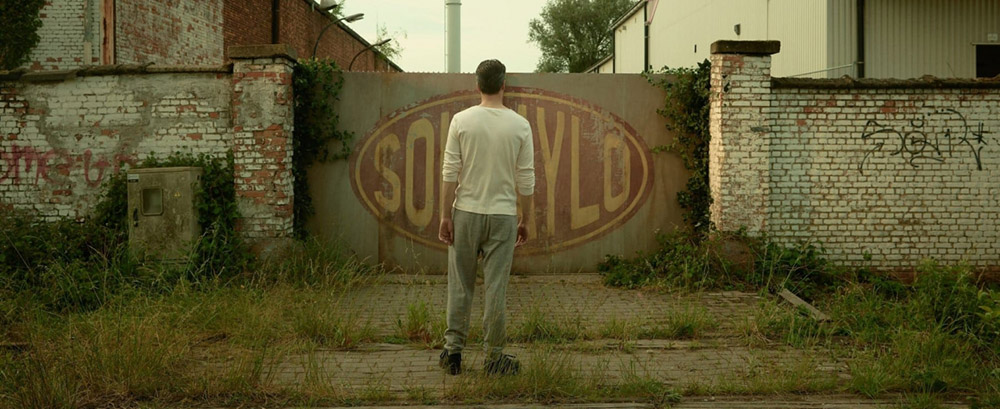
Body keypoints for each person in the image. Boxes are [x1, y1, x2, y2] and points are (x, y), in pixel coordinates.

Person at [437, 59, 535, 376]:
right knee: (495, 288)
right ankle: (494, 358)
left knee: (460, 284)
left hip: (465, 212)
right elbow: (526, 178)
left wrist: (445, 215)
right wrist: (526, 219)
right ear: (504, 85)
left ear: (478, 85)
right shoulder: (520, 125)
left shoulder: (461, 121)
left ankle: (453, 353)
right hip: (503, 215)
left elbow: (449, 171)